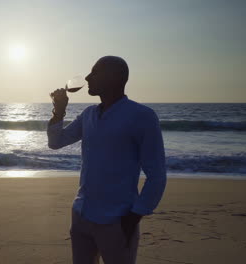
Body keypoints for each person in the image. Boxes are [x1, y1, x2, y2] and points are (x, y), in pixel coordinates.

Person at [48, 56, 166, 264]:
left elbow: (156, 175)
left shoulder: (142, 116)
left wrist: (133, 217)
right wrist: (59, 111)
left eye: (95, 72)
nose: (87, 77)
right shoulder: (89, 114)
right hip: (82, 214)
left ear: (115, 77)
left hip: (117, 219)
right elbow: (56, 142)